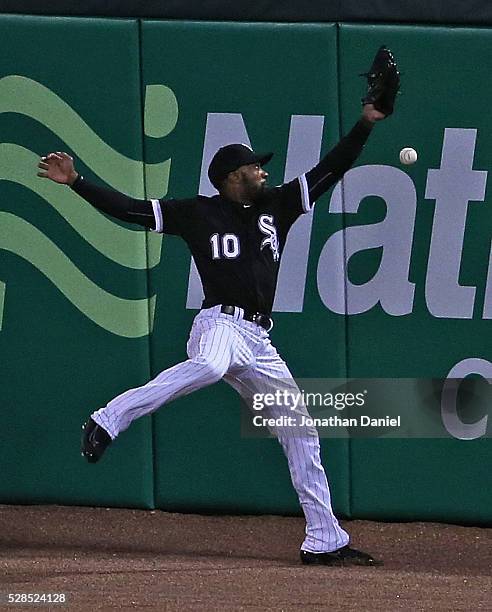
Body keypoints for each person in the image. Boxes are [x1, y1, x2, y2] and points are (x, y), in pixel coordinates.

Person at [38, 102, 387, 566]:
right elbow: (133, 211)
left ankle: (325, 538)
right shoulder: (198, 213)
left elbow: (332, 167)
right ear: (230, 176)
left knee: (300, 428)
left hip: (259, 341)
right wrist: (78, 183)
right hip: (219, 323)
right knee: (209, 364)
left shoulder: (277, 207)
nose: (263, 171)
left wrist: (366, 123)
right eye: (254, 166)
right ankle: (109, 418)